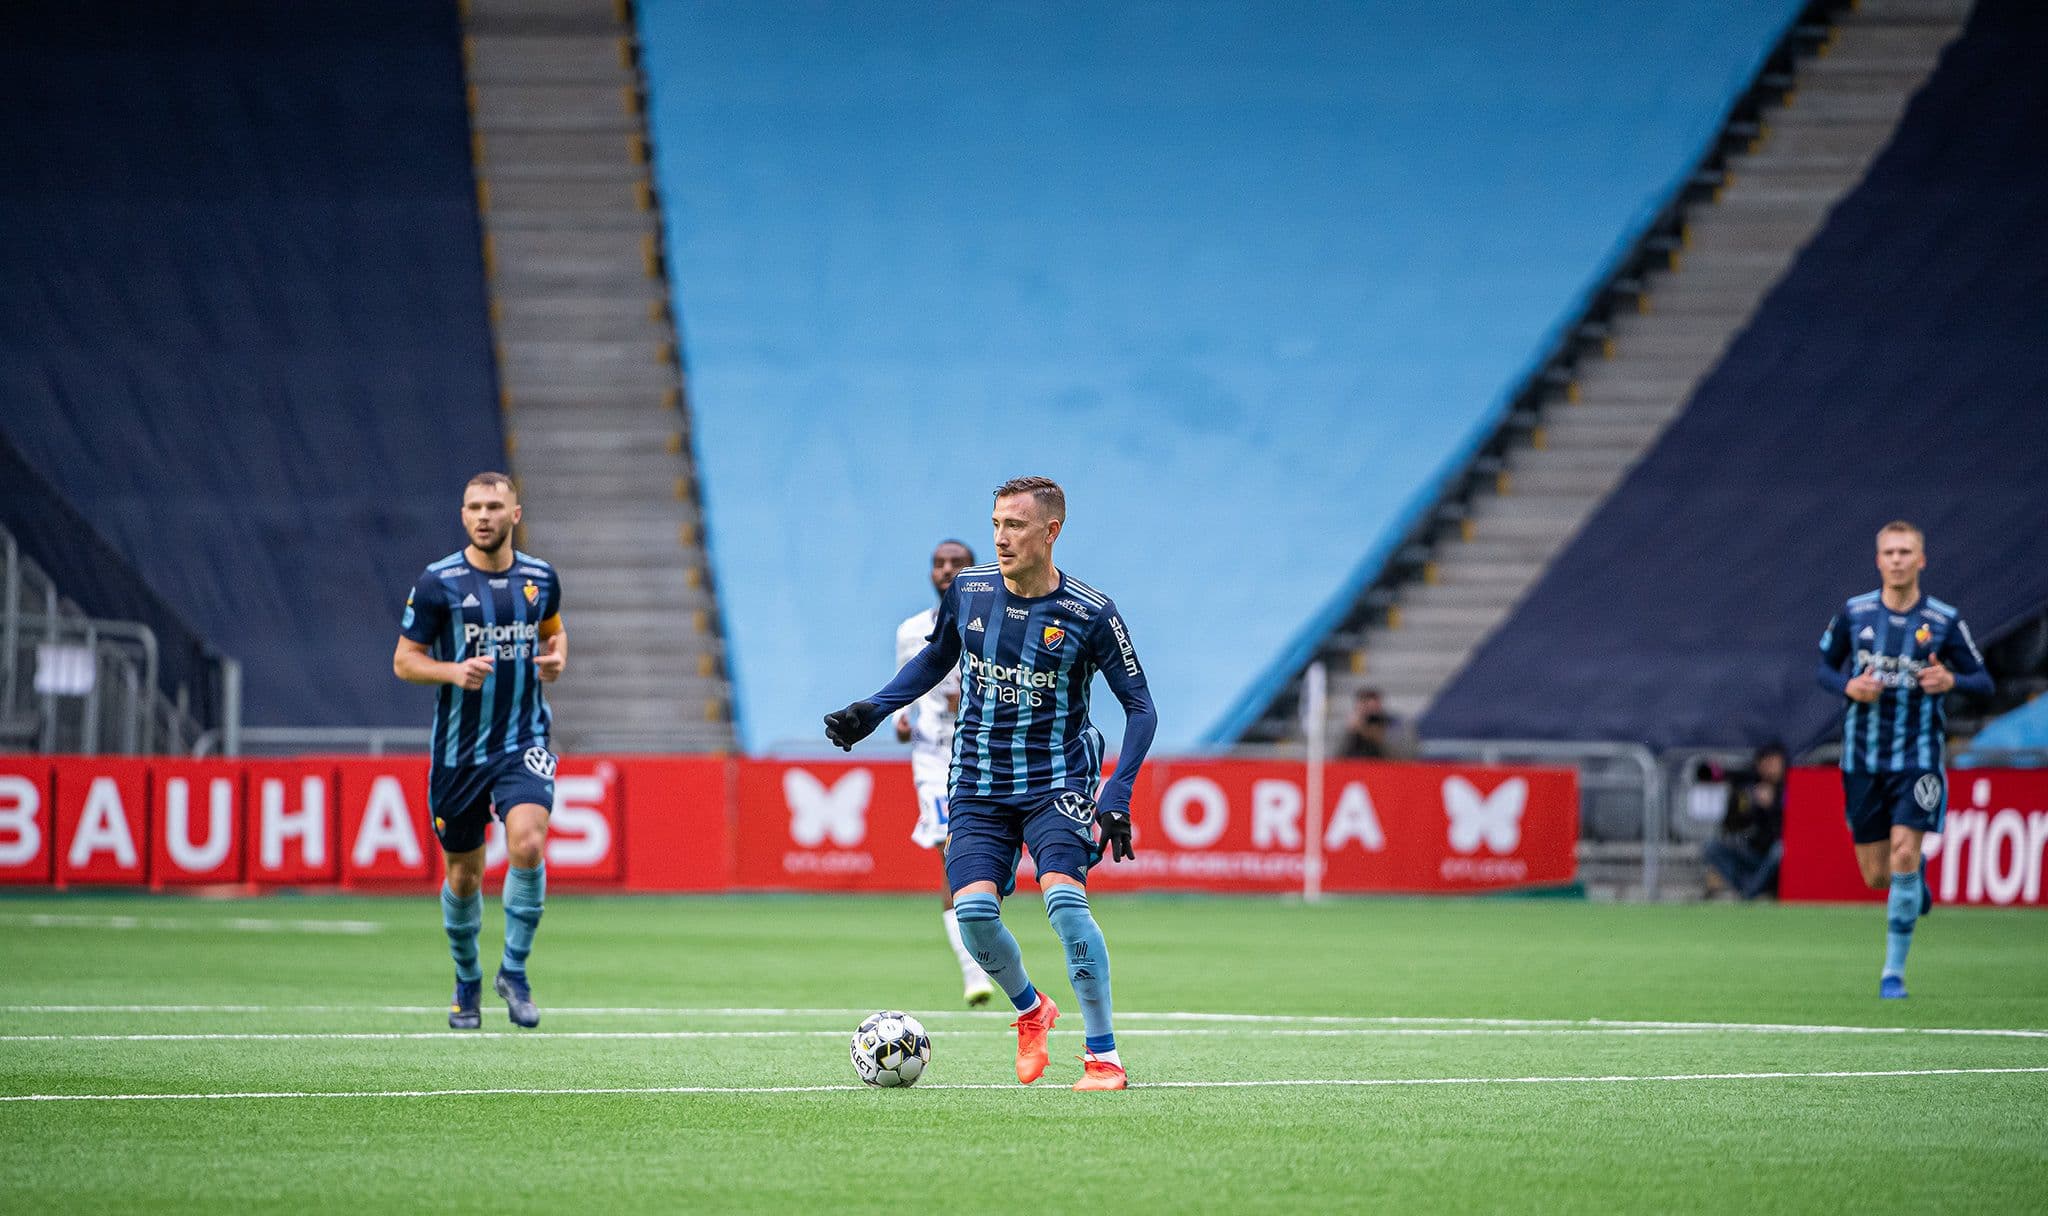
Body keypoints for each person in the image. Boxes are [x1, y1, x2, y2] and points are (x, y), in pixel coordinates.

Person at [824, 476, 1158, 1091]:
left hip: (1057, 777)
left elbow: (1141, 708)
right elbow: (934, 658)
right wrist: (870, 710)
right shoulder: (970, 591)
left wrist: (1117, 796)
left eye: (1016, 526)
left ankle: (1103, 1055)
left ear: (1051, 531)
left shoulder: (1090, 613)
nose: (1001, 538)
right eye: (997, 524)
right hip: (977, 779)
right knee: (974, 913)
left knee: (1062, 897)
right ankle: (1032, 1011)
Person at [393, 472, 566, 1029]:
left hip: (523, 739)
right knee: (464, 877)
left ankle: (513, 972)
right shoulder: (438, 582)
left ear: (515, 513)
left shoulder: (541, 578)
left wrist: (558, 656)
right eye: (473, 507)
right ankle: (467, 978)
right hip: (458, 752)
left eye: (494, 505)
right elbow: (404, 660)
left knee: (528, 840)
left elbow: (554, 632)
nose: (483, 515)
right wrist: (451, 670)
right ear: (463, 515)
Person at [1816, 520, 1990, 999]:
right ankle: (1913, 885)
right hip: (1862, 759)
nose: (1897, 559)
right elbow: (1824, 668)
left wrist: (1952, 681)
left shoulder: (1943, 620)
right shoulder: (1855, 614)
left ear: (1921, 560)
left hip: (1918, 756)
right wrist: (1848, 687)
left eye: (1905, 551)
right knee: (1877, 875)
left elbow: (1984, 681)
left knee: (1904, 852)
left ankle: (1892, 973)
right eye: (1889, 552)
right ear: (1879, 560)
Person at [894, 538, 997, 1007]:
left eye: (957, 563)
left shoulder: (997, 624)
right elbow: (906, 688)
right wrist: (899, 716)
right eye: (939, 563)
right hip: (934, 761)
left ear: (975, 570)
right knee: (950, 855)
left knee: (985, 864)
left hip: (985, 755)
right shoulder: (911, 631)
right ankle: (972, 972)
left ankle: (984, 954)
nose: (946, 570)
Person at [1702, 743, 1787, 900]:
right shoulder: (1750, 783)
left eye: (1773, 762)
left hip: (1775, 855)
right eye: (1765, 763)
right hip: (1753, 850)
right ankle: (1748, 888)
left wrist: (1773, 805)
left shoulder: (1791, 786)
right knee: (1712, 847)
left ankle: (1750, 892)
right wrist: (1748, 803)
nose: (1769, 768)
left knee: (1780, 850)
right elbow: (1733, 824)